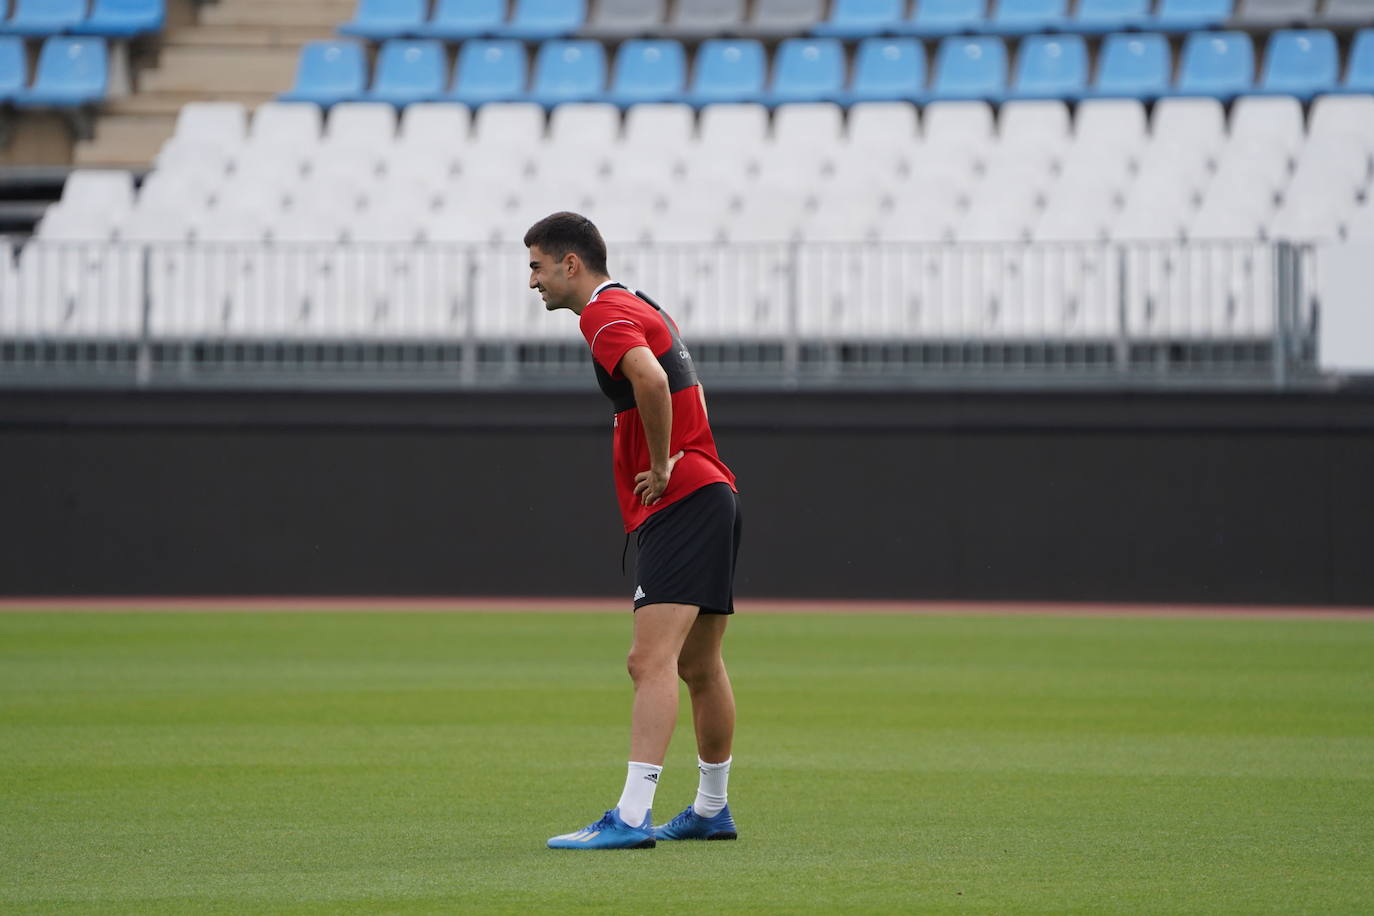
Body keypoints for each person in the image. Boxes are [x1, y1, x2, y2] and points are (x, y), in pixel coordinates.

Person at [525, 212, 743, 851]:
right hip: (714, 492)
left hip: (684, 498)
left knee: (647, 661)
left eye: (537, 265)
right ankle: (710, 809)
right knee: (700, 664)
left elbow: (648, 378)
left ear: (571, 264)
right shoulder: (635, 301)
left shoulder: (601, 312)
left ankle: (631, 816)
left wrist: (658, 461)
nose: (532, 280)